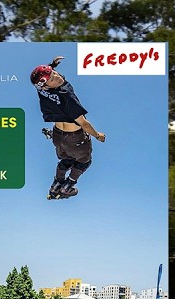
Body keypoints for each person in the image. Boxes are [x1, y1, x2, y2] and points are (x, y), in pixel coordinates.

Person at [31, 56, 105, 200]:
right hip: (75, 138)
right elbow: (83, 124)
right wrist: (97, 135)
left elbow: (41, 78)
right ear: (46, 85)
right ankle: (68, 186)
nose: (57, 78)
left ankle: (56, 184)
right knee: (84, 161)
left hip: (58, 136)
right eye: (52, 79)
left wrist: (51, 65)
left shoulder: (42, 89)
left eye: (55, 73)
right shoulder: (67, 96)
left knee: (66, 160)